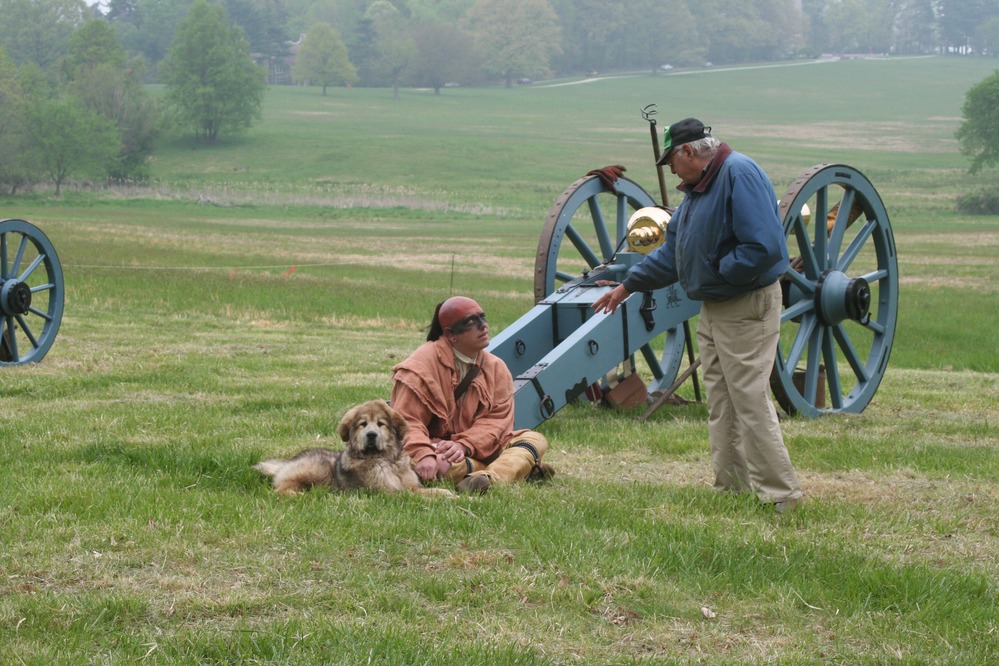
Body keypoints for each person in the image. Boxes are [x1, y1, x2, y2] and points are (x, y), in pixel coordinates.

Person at [592, 118, 802, 512]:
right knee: (722, 399)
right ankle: (732, 487)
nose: (671, 170)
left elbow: (765, 247)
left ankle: (781, 495)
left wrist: (716, 272)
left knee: (750, 399)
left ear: (688, 152)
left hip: (744, 304)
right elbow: (674, 254)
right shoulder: (697, 191)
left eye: (671, 161)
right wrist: (626, 286)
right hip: (715, 307)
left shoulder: (739, 173)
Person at [389, 296, 555, 494]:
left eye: (482, 318)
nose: (483, 326)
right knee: (440, 465)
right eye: (470, 322)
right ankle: (520, 470)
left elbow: (497, 421)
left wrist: (464, 444)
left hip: (480, 447)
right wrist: (423, 453)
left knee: (534, 439)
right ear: (450, 334)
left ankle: (490, 478)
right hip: (439, 449)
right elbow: (407, 420)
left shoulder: (496, 367)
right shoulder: (419, 366)